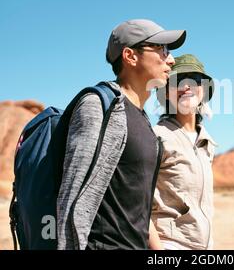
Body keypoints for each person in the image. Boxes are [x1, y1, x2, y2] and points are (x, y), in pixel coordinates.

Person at [56, 19, 186, 250]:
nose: (171, 60)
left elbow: (139, 209)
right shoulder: (97, 105)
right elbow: (71, 194)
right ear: (130, 56)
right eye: (162, 49)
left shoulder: (143, 119)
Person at [150, 54, 217, 250]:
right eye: (178, 80)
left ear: (203, 90)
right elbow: (138, 205)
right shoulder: (155, 137)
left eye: (194, 80)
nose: (186, 86)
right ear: (166, 93)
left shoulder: (207, 143)